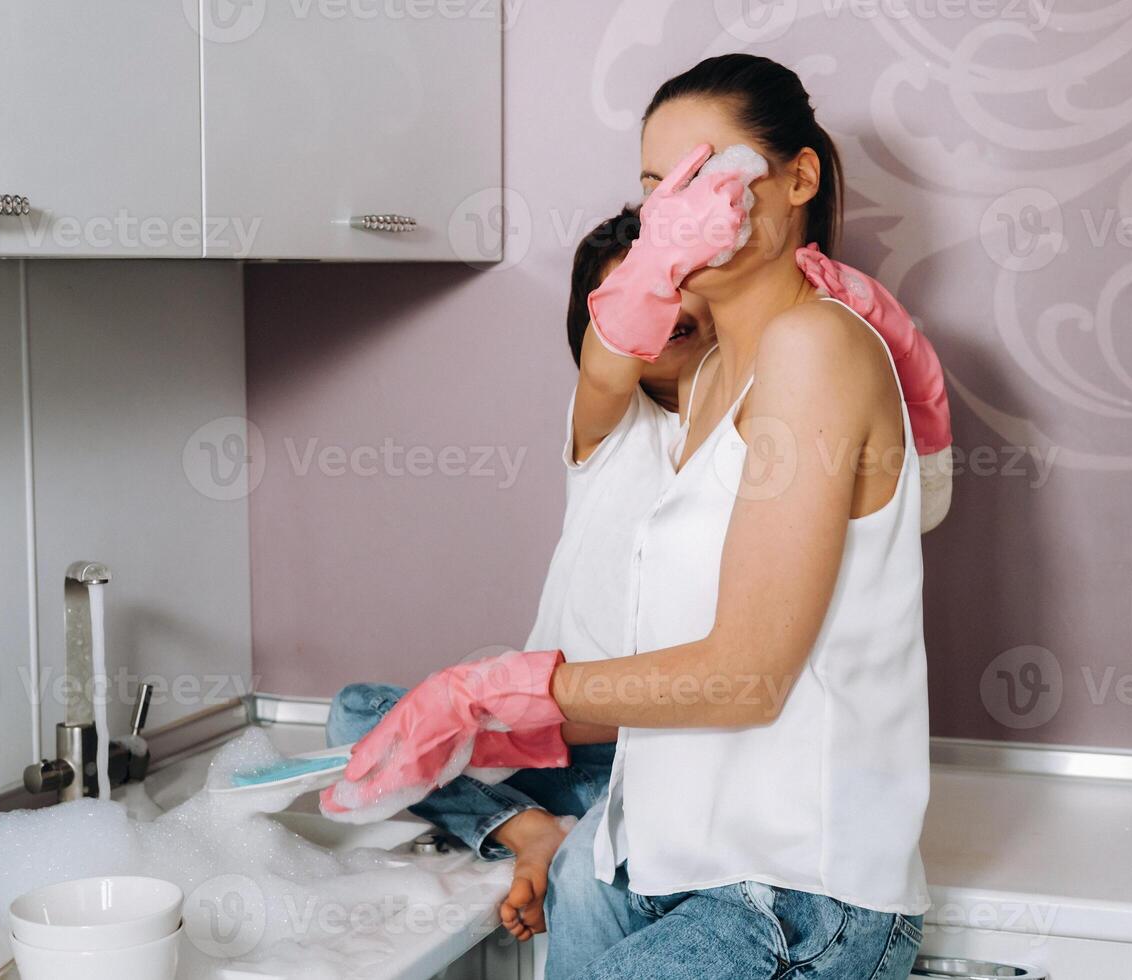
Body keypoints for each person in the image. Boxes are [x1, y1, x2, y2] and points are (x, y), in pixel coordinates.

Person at [322, 54, 946, 980]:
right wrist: (650, 265)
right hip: (643, 854)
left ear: (799, 177)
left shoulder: (818, 348)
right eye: (659, 187)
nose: (681, 204)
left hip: (788, 892)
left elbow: (746, 680)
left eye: (708, 170)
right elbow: (611, 368)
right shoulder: (701, 385)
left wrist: (492, 691)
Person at [324, 206, 717, 939]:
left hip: (655, 758)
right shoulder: (608, 421)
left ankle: (558, 842)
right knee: (357, 715)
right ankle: (525, 827)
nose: (665, 303)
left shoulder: (741, 445)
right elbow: (608, 369)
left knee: (606, 868)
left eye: (682, 279)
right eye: (635, 292)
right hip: (542, 741)